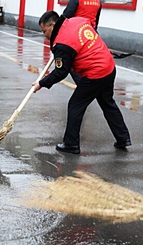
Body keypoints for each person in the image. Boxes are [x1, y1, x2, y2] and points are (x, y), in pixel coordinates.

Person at [32, 11, 131, 154]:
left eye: (44, 31)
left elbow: (61, 72)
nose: (44, 36)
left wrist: (41, 83)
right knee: (107, 102)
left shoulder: (62, 44)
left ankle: (71, 144)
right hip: (108, 66)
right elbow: (89, 26)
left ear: (53, 25)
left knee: (75, 105)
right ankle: (123, 138)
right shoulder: (77, 21)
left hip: (95, 73)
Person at [62, 0, 102, 84]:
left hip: (77, 35)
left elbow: (66, 17)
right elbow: (96, 21)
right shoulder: (98, 1)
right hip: (91, 36)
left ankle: (83, 86)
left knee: (70, 63)